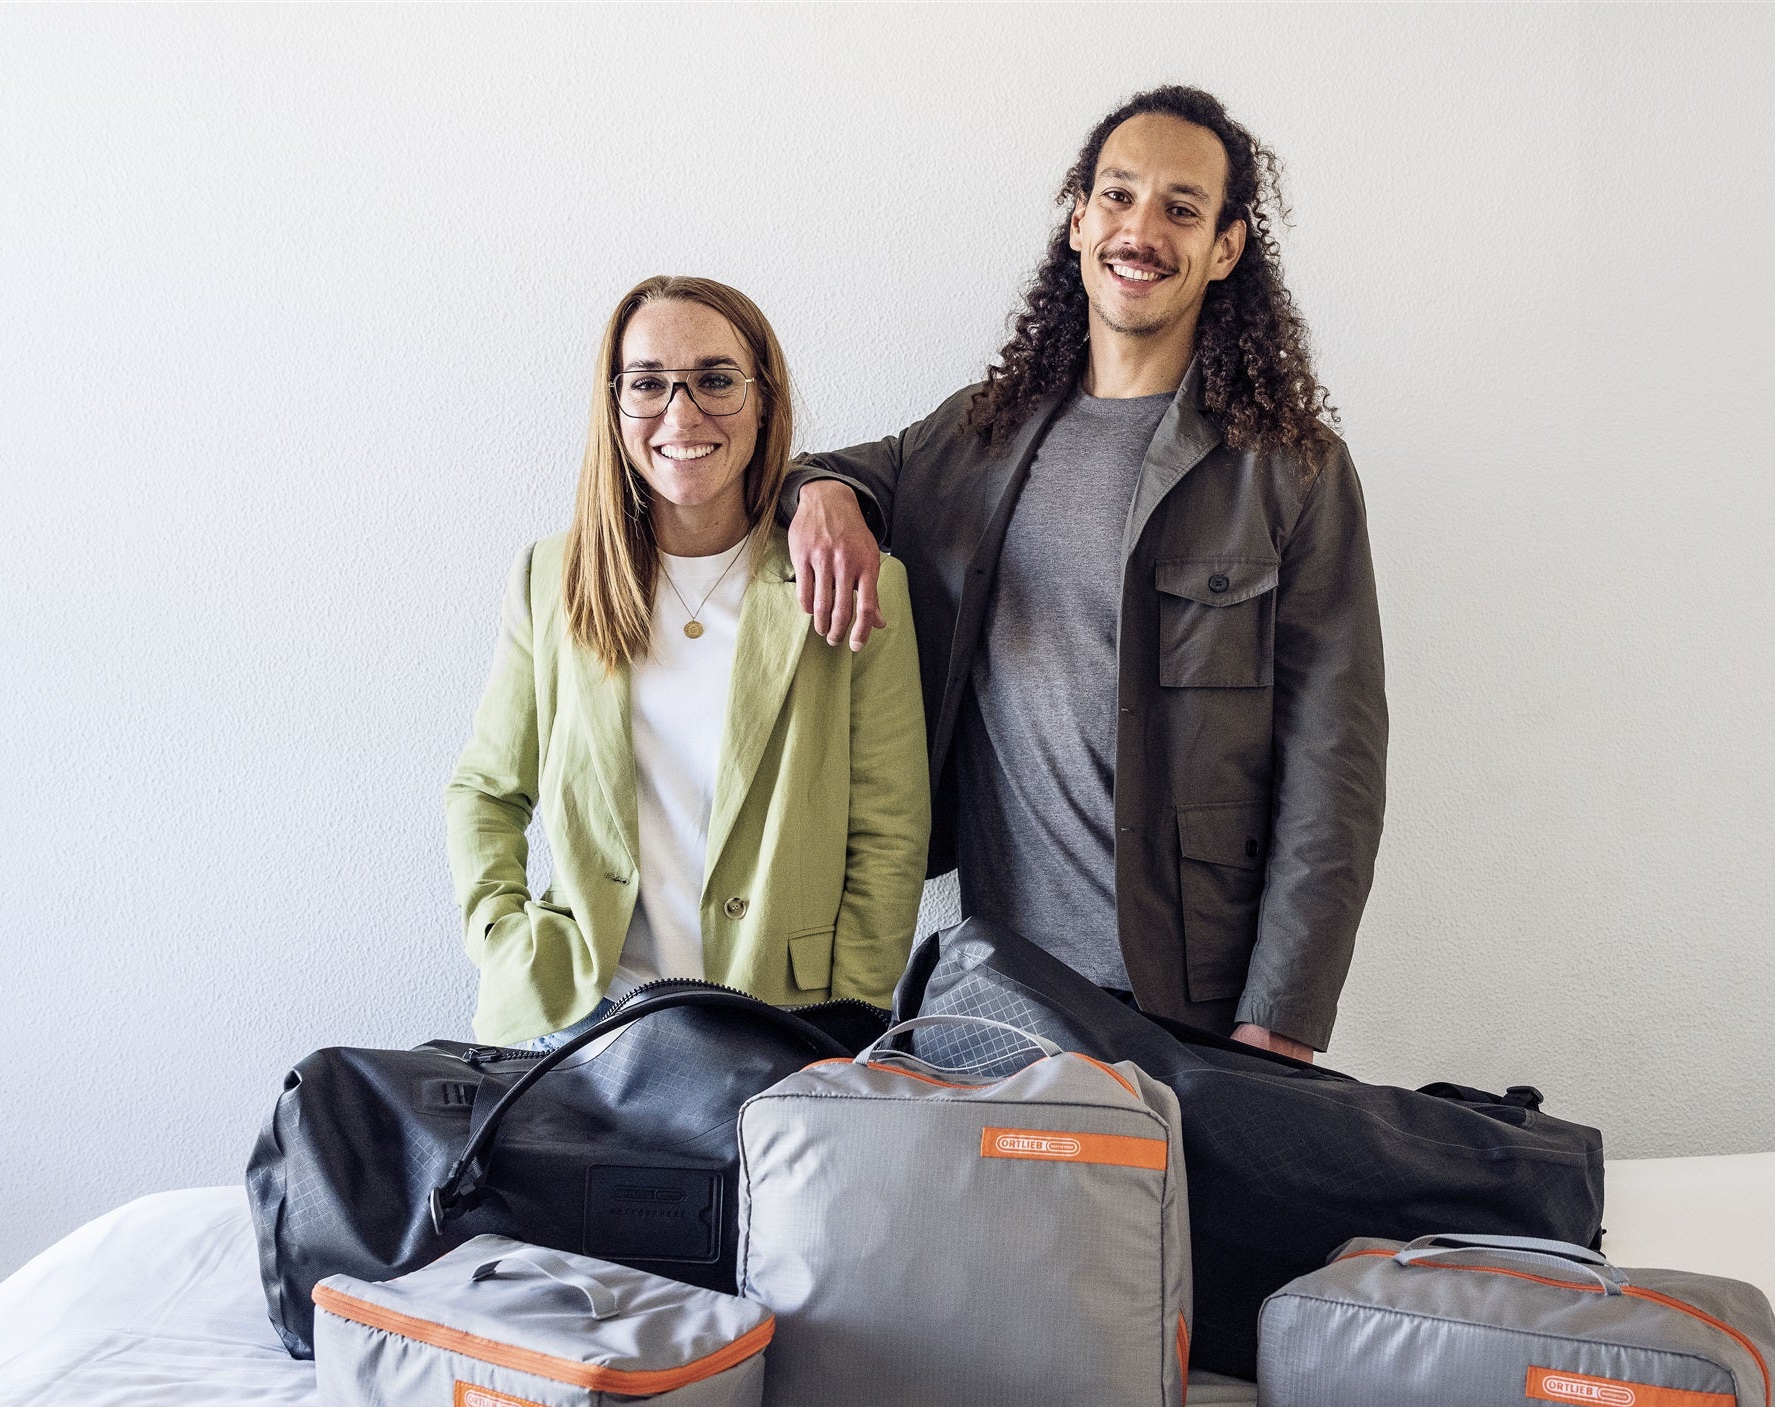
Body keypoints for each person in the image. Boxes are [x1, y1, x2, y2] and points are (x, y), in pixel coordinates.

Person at [783, 86, 1385, 1059]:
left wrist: (1282, 1010)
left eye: (1181, 208)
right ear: (1077, 220)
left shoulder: (1291, 469)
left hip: (1193, 994)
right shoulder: (979, 434)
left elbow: (1335, 761)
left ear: (1224, 248)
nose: (1140, 230)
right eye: (1117, 195)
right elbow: (836, 472)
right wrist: (820, 494)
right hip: (997, 988)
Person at [448, 276, 929, 1047]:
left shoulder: (853, 581)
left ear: (763, 399)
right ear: (614, 406)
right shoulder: (552, 578)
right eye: (648, 384)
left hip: (785, 1025)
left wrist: (851, 1013)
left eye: (715, 381)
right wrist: (506, 940)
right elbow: (486, 789)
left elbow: (889, 831)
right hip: (580, 1029)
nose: (682, 413)